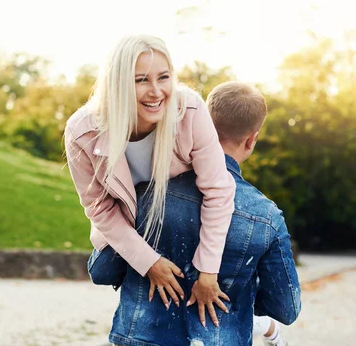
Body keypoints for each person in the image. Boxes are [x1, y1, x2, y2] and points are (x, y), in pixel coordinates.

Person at [108, 82, 301, 346]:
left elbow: (102, 270)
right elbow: (286, 308)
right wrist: (239, 291)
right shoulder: (267, 217)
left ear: (203, 122)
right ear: (252, 139)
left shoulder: (147, 191)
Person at [64, 35, 235, 318]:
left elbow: (218, 190)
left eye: (163, 77)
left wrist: (208, 270)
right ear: (117, 84)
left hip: (183, 218)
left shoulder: (189, 110)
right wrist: (149, 262)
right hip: (131, 227)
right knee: (104, 270)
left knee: (207, 279)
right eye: (141, 80)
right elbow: (98, 207)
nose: (156, 91)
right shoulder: (81, 131)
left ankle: (254, 320)